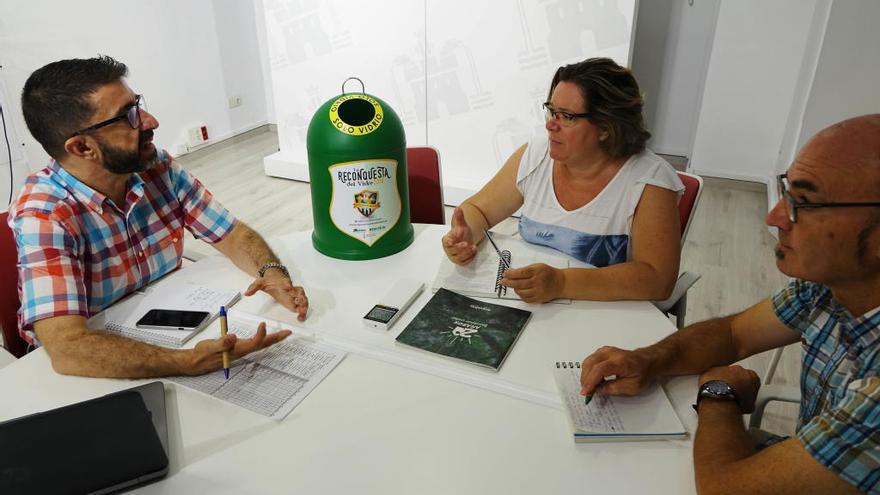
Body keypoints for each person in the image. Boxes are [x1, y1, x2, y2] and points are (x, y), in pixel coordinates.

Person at [580, 114, 880, 494]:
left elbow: (724, 490)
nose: (774, 217)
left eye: (804, 203)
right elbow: (733, 333)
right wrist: (647, 360)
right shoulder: (829, 287)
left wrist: (720, 393)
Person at [9, 55, 308, 378]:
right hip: (95, 364)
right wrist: (187, 362)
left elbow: (232, 234)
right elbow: (69, 348)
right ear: (82, 147)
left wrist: (272, 272)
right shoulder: (45, 213)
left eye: (137, 105)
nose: (150, 121)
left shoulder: (155, 166)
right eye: (127, 117)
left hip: (169, 327)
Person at [442, 57, 683, 304]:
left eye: (567, 116)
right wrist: (464, 236)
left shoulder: (650, 181)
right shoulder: (536, 154)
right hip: (531, 307)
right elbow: (478, 210)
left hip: (605, 317)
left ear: (606, 127)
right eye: (551, 110)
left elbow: (658, 280)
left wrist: (561, 282)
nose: (550, 125)